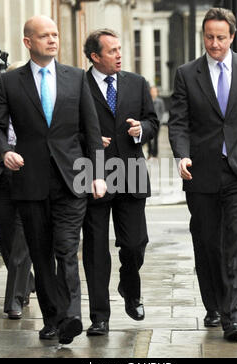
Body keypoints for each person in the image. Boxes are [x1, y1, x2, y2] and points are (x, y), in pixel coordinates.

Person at [0, 15, 106, 345]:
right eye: (44, 36)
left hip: (71, 180)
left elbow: (92, 131)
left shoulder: (76, 78)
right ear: (28, 42)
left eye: (55, 34)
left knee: (67, 249)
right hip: (30, 181)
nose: (52, 40)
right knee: (41, 253)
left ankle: (72, 316)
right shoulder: (10, 82)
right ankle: (52, 319)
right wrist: (4, 150)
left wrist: (97, 174)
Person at [168, 7, 237, 341]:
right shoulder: (187, 74)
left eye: (221, 37)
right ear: (203, 36)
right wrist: (182, 156)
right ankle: (214, 305)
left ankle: (234, 317)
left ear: (232, 37)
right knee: (208, 243)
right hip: (202, 174)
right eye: (209, 37)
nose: (215, 44)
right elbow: (179, 122)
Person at [82, 29, 159, 336]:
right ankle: (100, 316)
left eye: (119, 48)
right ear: (94, 57)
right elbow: (65, 128)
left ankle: (130, 287)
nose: (119, 54)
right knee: (96, 248)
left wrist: (142, 129)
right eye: (111, 50)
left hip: (131, 171)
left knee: (135, 243)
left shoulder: (137, 83)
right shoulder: (78, 84)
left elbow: (153, 121)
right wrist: (87, 140)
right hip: (93, 172)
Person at [0, 61, 35, 321]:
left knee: (23, 239)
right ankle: (26, 280)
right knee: (5, 235)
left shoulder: (36, 106)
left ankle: (14, 300)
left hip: (28, 176)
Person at [147, 86, 165, 159]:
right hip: (149, 122)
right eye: (152, 91)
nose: (153, 93)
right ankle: (149, 152)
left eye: (155, 91)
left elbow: (162, 111)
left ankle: (155, 153)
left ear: (157, 93)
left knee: (156, 138)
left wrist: (159, 120)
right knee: (148, 138)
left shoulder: (160, 101)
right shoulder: (148, 100)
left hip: (157, 123)